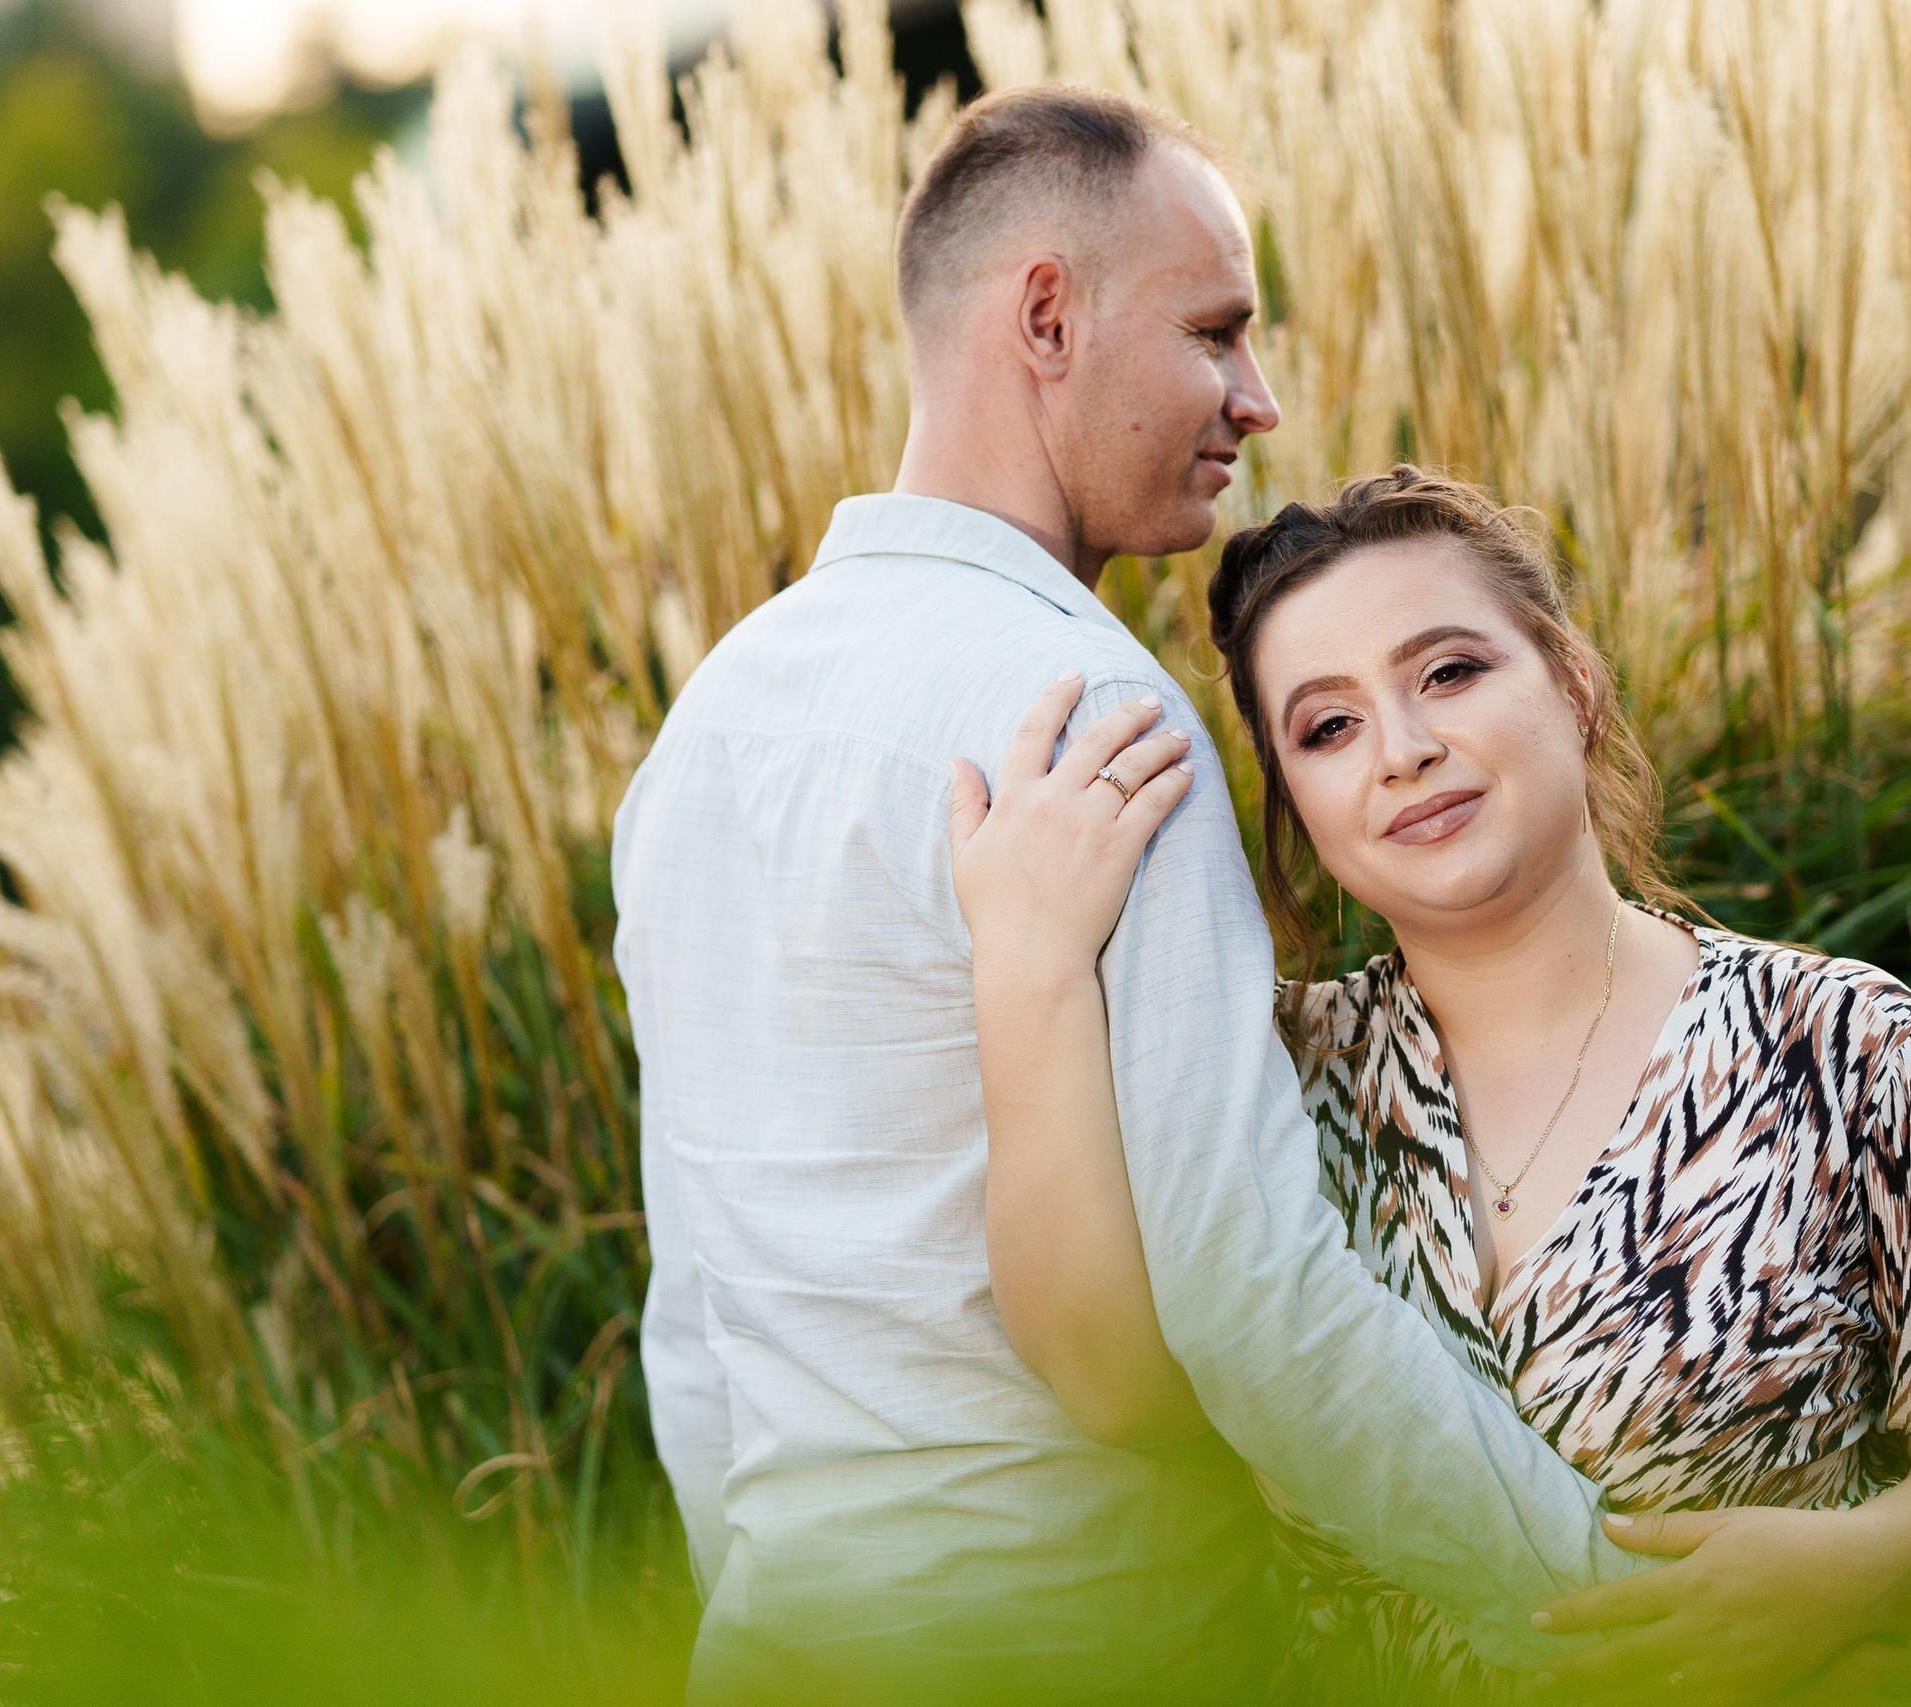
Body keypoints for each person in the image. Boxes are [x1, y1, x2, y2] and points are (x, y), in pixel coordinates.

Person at [615, 87, 1678, 1704]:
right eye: (1214, 332)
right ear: (1047, 316)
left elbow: (694, 1318)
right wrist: (1609, 1607)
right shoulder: (1089, 721)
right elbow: (1251, 1293)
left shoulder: (703, 729)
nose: (1257, 399)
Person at [948, 467, 1911, 1703]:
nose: (1403, 751)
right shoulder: (1266, 1079)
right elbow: (1114, 1381)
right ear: (1295, 807)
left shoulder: (1847, 1052)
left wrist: (1854, 1572)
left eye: (1449, 672)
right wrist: (1027, 964)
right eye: (1327, 728)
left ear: (1574, 686)